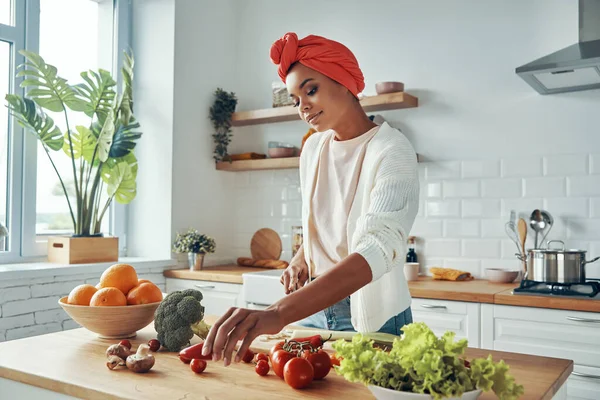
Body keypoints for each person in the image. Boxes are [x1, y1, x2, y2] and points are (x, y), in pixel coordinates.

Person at [202, 32, 419, 366]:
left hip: (372, 314)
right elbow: (323, 223)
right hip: (312, 309)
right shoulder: (313, 148)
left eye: (310, 89)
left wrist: (277, 314)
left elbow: (377, 249)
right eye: (294, 99)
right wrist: (303, 258)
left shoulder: (392, 150)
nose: (302, 106)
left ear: (344, 82)